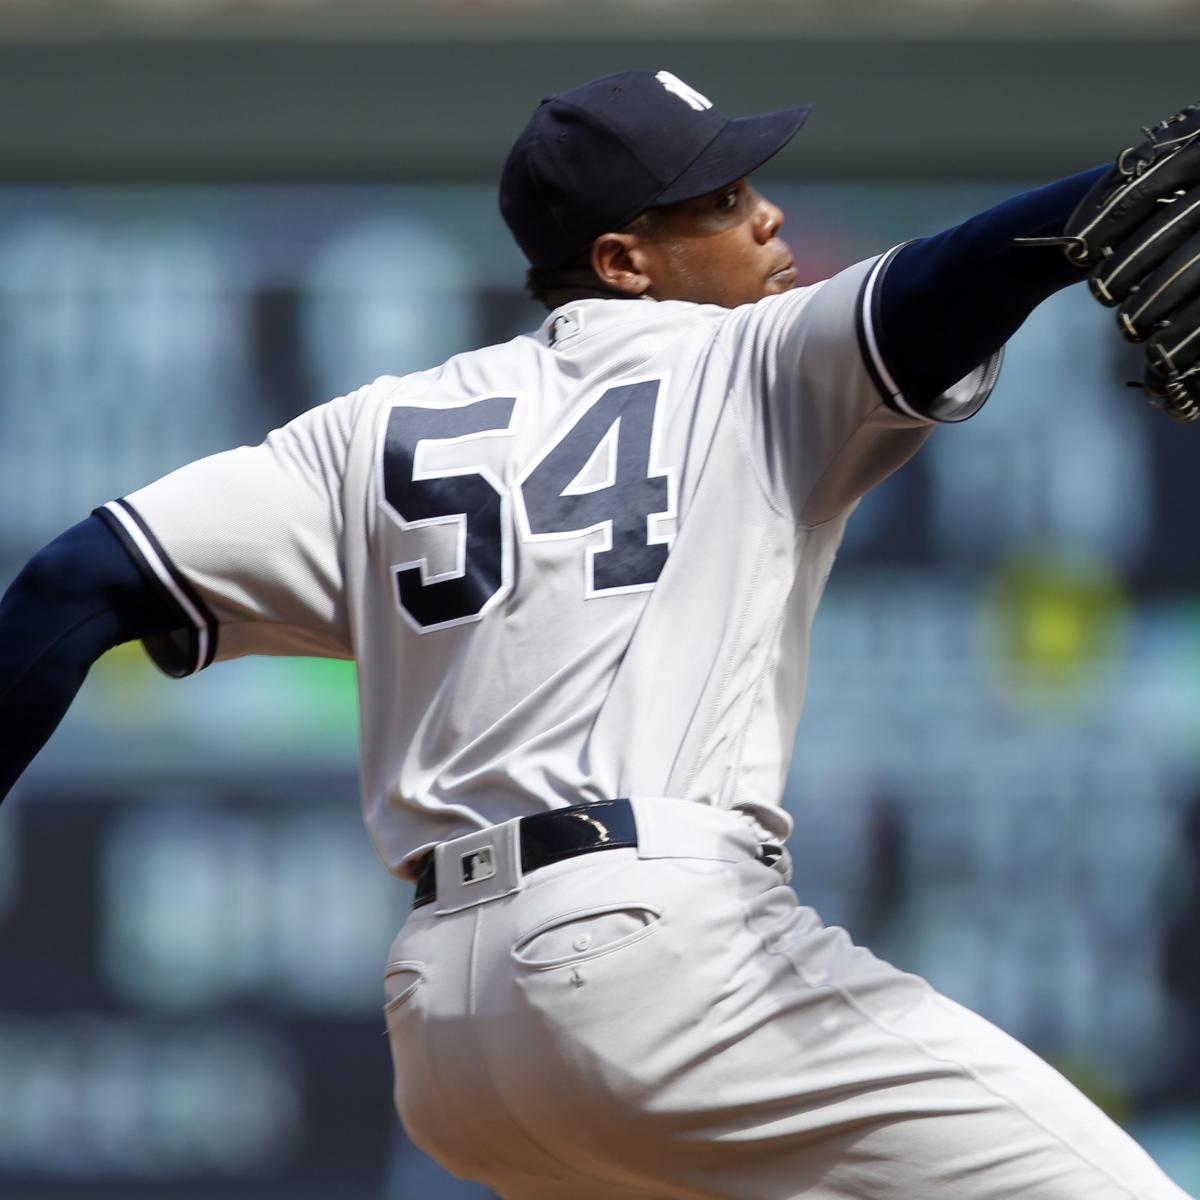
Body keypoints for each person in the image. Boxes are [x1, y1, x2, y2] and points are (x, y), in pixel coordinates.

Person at [0, 69, 1193, 1200]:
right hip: (661, 957)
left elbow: (70, 587)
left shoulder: (370, 434)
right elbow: (947, 280)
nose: (769, 217)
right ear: (624, 261)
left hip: (449, 1028)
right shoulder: (748, 357)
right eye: (722, 202)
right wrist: (1087, 205)